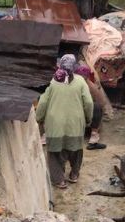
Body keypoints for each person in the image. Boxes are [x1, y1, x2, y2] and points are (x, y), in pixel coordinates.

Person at [35, 54, 94, 190]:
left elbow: (42, 102)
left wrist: (39, 118)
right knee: (76, 151)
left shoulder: (52, 81)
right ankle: (74, 174)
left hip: (55, 125)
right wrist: (88, 118)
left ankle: (59, 180)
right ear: (74, 68)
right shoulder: (80, 81)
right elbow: (89, 102)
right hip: (75, 125)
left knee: (55, 154)